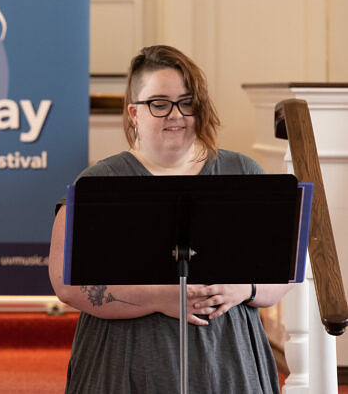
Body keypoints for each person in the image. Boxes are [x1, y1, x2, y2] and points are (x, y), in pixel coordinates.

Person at [49, 45, 291, 393]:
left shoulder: (243, 172)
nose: (175, 115)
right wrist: (160, 299)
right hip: (124, 357)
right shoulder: (98, 184)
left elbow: (281, 273)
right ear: (134, 113)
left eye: (187, 102)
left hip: (228, 359)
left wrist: (244, 289)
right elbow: (66, 285)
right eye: (159, 103)